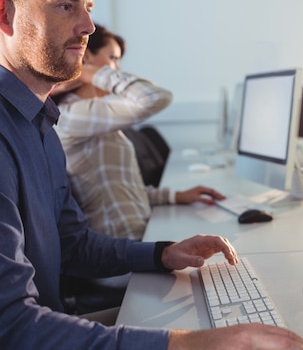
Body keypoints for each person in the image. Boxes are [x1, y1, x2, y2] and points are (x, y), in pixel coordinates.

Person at [0, 0, 303, 350]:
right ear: (5, 15)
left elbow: (73, 243)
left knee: (209, 315)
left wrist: (161, 253)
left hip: (47, 329)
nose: (87, 25)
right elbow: (9, 332)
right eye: (65, 6)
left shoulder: (41, 123)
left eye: (86, 6)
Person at [51, 23, 226, 243]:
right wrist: (89, 73)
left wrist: (176, 196)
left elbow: (125, 190)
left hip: (140, 236)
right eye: (113, 59)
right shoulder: (71, 115)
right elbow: (155, 97)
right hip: (123, 253)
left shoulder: (92, 113)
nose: (117, 69)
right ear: (86, 57)